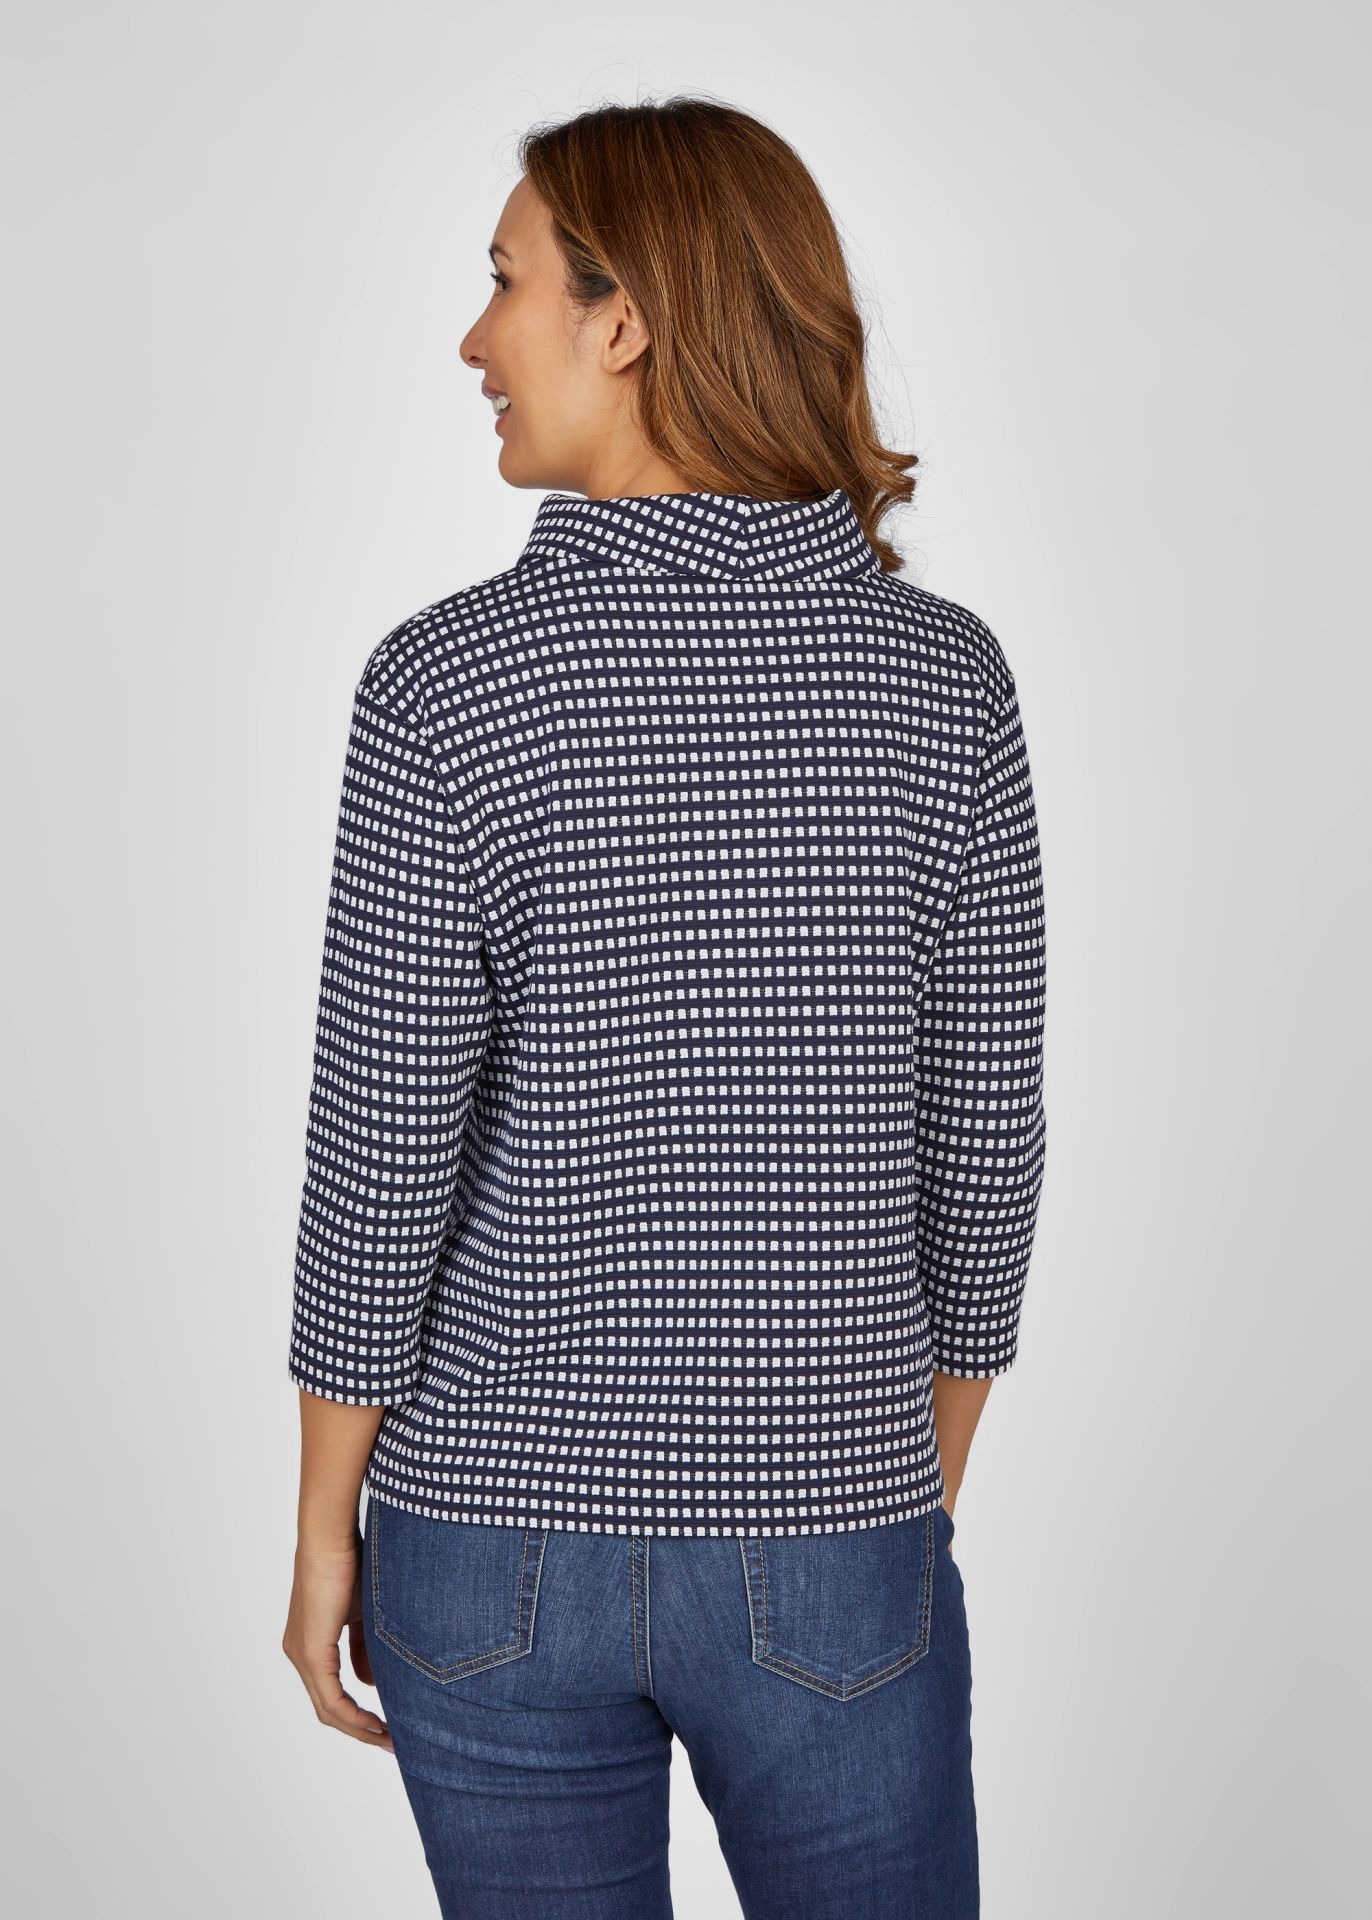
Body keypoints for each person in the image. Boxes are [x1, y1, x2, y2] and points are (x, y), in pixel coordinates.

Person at [281, 94, 1048, 1920]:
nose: (474, 340)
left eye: (504, 283)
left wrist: (322, 1530)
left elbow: (381, 1162)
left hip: (488, 1537)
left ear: (623, 321)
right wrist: (896, 1495)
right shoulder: (942, 681)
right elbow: (987, 1154)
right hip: (833, 1515)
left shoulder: (443, 685)